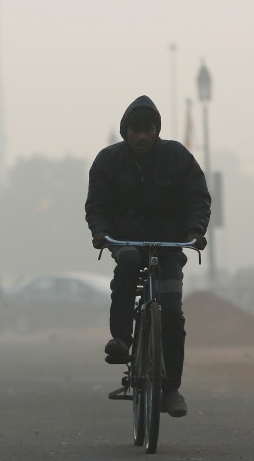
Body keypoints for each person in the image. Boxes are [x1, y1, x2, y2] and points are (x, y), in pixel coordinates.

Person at [85, 95, 211, 418]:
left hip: (169, 244)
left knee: (170, 309)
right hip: (125, 241)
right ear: (125, 132)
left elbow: (198, 197)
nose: (142, 136)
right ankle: (122, 341)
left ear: (157, 131)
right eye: (135, 130)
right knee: (127, 263)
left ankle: (171, 388)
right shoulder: (107, 162)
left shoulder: (178, 158)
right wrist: (101, 232)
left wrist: (195, 230)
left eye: (148, 129)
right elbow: (96, 206)